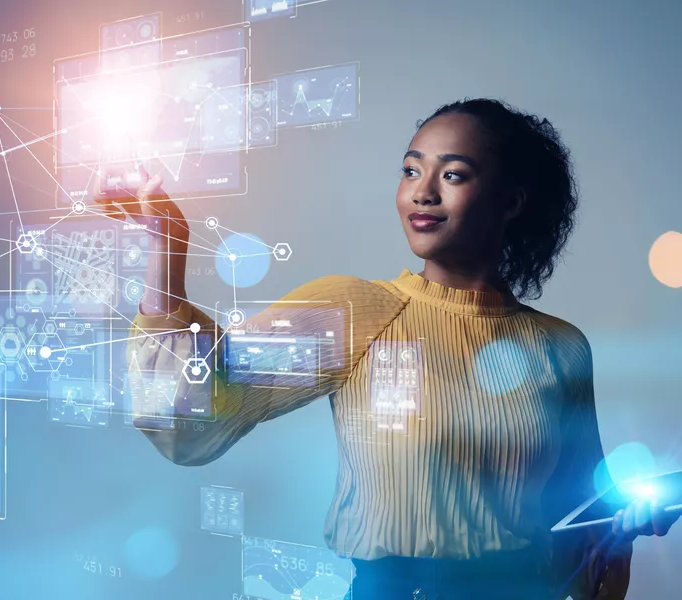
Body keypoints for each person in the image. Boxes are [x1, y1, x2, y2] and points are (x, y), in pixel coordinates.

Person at [98, 98, 679, 600]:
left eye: (453, 174)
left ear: (512, 201)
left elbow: (581, 519)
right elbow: (188, 416)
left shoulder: (562, 347)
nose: (421, 192)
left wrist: (625, 525)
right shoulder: (356, 312)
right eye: (410, 170)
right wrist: (164, 246)